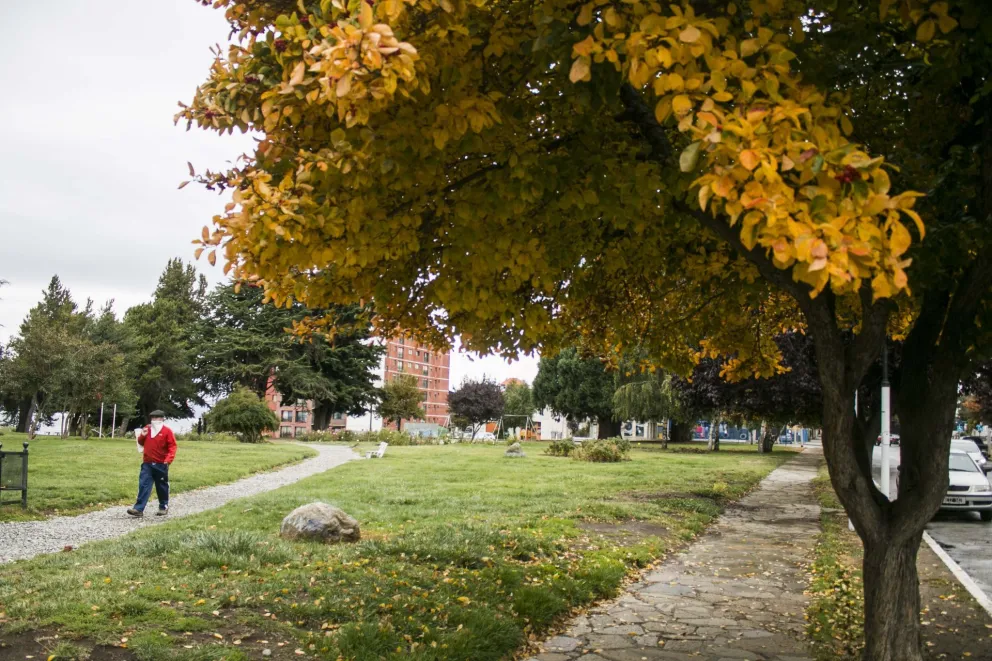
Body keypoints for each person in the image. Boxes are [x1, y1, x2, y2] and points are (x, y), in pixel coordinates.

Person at [127, 410, 177, 518]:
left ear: (162, 418)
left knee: (161, 486)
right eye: (153, 418)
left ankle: (163, 507)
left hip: (161, 464)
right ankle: (138, 509)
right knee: (144, 484)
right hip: (147, 463)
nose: (155, 420)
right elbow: (140, 443)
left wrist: (168, 460)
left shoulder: (167, 431)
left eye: (158, 418)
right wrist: (142, 436)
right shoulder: (147, 429)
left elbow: (172, 447)